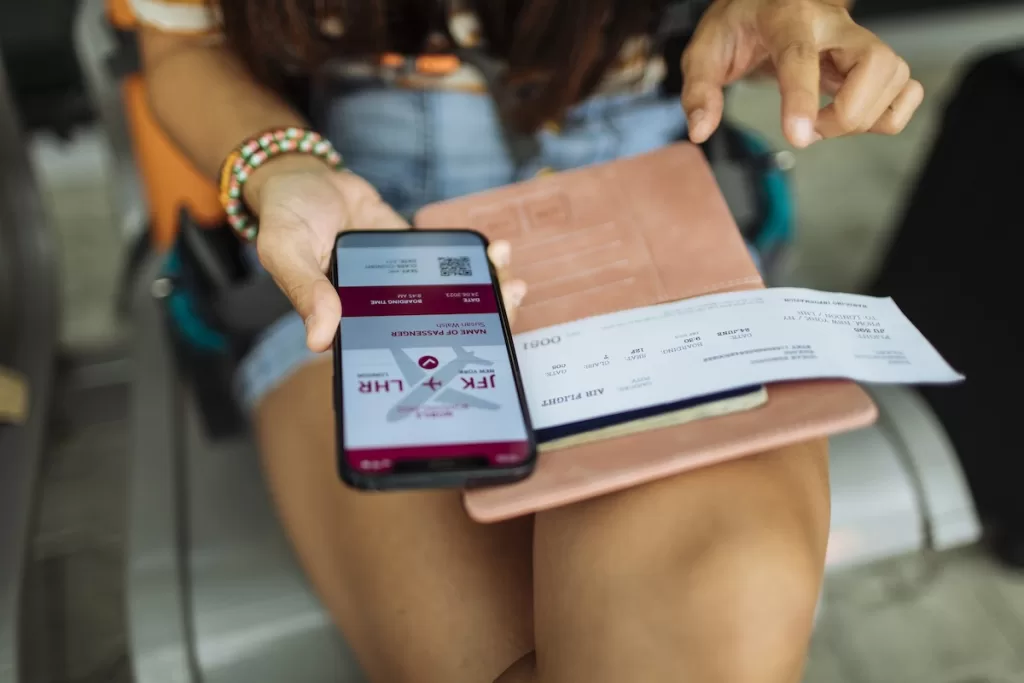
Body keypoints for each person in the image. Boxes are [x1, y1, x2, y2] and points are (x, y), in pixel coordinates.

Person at [135, 0, 922, 680]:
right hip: (365, 235)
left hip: (641, 203)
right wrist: (281, 166)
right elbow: (180, 45)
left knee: (717, 592)